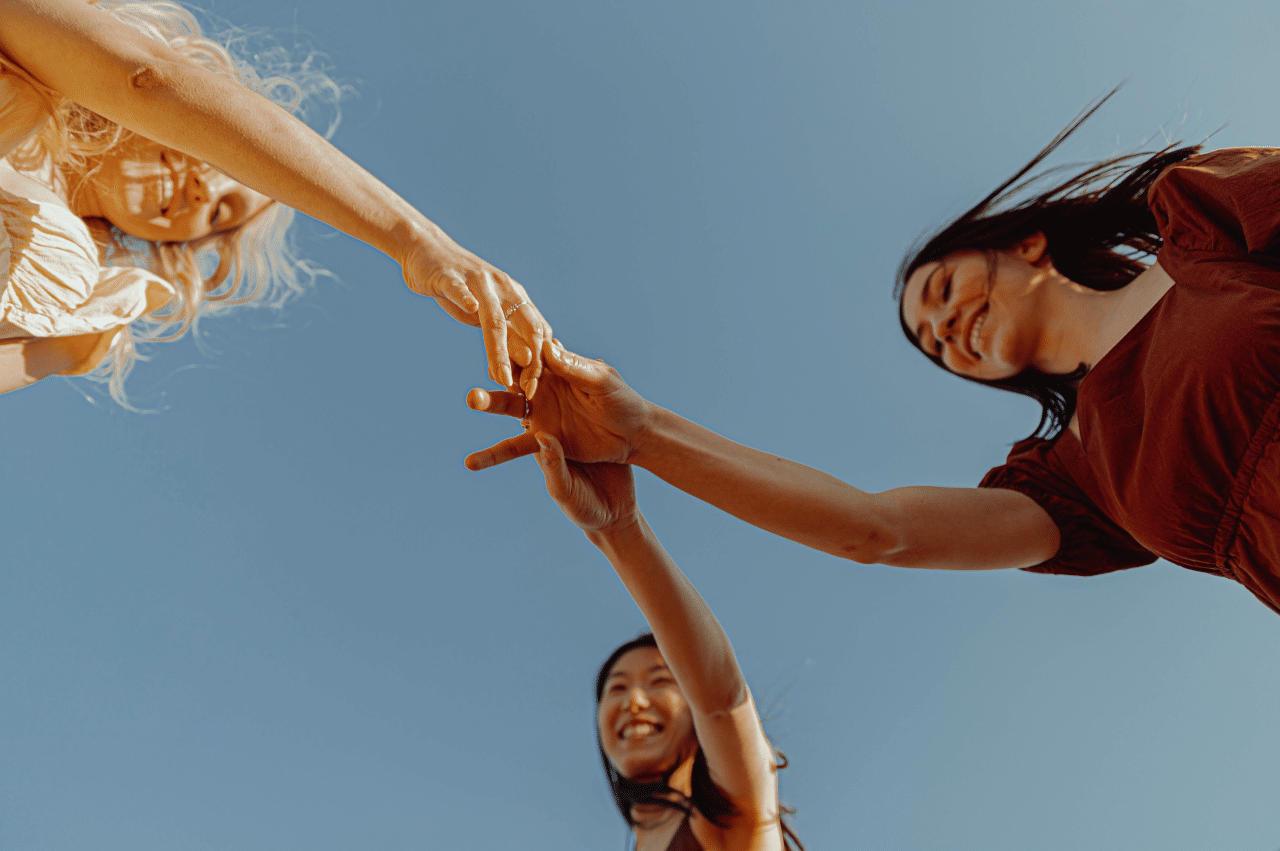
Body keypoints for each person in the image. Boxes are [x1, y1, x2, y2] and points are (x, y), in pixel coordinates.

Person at [463, 93, 1280, 616]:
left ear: (1027, 246)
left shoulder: (1199, 221)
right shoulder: (1078, 480)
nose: (946, 327)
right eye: (934, 343)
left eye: (944, 290)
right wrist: (641, 431)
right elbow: (875, 528)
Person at [0, 0, 551, 402]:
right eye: (216, 161)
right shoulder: (40, 51)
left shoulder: (77, 306)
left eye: (218, 214)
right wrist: (418, 243)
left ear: (176, 244)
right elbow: (146, 78)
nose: (201, 191)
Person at [530, 430, 803, 850]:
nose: (634, 701)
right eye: (616, 688)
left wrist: (619, 531)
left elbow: (722, 700)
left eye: (660, 680)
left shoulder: (730, 823)